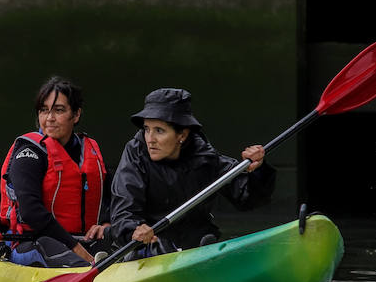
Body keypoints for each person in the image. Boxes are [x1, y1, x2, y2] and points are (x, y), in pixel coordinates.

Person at [107, 88, 275, 254]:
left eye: (159, 130)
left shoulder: (205, 156)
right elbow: (124, 210)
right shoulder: (135, 153)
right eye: (147, 129)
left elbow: (248, 199)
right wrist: (133, 230)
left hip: (197, 248)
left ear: (182, 134)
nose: (150, 139)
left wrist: (258, 169)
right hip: (147, 250)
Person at [0, 76, 110, 267]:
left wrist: (107, 225)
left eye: (58, 110)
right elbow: (31, 211)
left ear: (76, 115)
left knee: (122, 237)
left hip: (82, 240)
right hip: (32, 242)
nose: (49, 118)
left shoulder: (89, 150)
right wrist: (73, 245)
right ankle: (87, 269)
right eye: (44, 110)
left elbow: (113, 197)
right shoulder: (29, 152)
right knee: (48, 244)